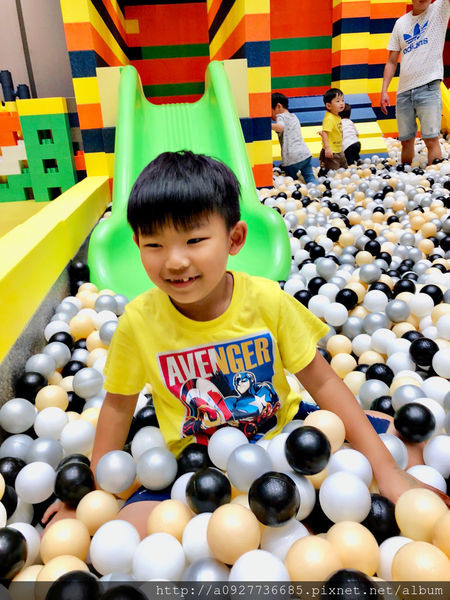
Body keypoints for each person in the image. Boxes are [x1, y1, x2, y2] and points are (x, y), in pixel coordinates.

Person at [43, 151, 448, 537]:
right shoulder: (138, 322)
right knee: (127, 527)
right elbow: (117, 406)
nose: (175, 261)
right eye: (154, 245)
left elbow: (323, 382)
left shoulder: (267, 301)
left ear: (234, 238)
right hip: (197, 465)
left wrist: (387, 470)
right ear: (137, 245)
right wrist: (90, 494)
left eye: (194, 240)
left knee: (401, 435)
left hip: (286, 440)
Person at [380, 0, 450, 165]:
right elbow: (391, 61)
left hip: (429, 86)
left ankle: (433, 178)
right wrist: (384, 90)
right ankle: (406, 172)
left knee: (431, 139)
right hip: (404, 92)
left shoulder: (439, 10)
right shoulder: (401, 23)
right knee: (406, 141)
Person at [271, 92, 317, 184]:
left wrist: (266, 124)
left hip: (292, 157)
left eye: (270, 111)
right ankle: (316, 188)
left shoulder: (280, 116)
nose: (270, 116)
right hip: (305, 154)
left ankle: (295, 188)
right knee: (309, 176)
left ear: (278, 106)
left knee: (290, 179)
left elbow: (280, 127)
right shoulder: (294, 116)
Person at [319, 88, 348, 173]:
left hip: (339, 149)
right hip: (331, 152)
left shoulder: (337, 116)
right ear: (328, 106)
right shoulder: (330, 118)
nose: (341, 103)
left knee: (344, 169)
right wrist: (327, 148)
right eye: (338, 101)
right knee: (333, 172)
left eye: (343, 100)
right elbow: (325, 132)